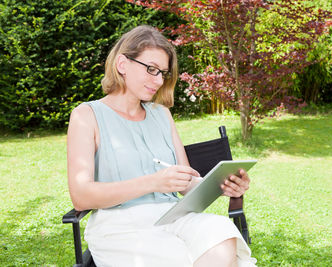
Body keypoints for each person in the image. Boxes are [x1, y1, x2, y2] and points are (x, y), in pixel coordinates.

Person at [67, 25, 257, 267]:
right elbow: (81, 196)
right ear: (122, 64)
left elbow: (187, 184)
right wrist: (154, 182)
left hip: (174, 217)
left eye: (162, 73)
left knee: (222, 233)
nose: (158, 80)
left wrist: (225, 184)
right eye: (151, 69)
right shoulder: (87, 115)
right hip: (120, 227)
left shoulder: (162, 114)